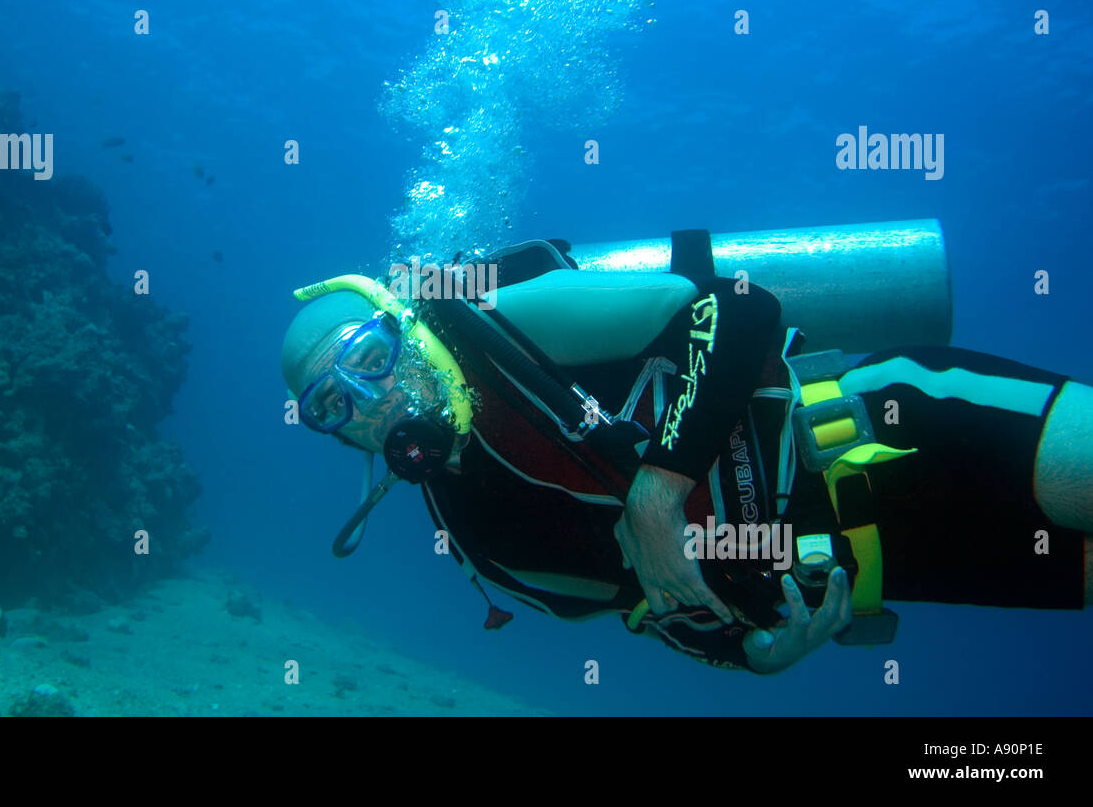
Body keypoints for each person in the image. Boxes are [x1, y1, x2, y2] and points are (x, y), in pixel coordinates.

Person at [280, 238, 1092, 673]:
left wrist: (656, 492)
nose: (368, 400)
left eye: (370, 358)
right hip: (891, 568)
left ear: (407, 332)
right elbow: (649, 614)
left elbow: (738, 311)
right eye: (331, 404)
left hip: (892, 420)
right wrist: (753, 654)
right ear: (335, 436)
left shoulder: (503, 333)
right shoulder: (483, 548)